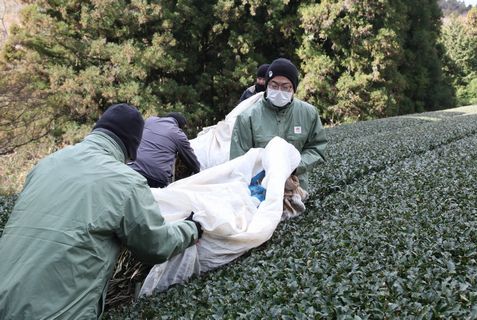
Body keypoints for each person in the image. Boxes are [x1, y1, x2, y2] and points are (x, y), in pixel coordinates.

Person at [0, 103, 202, 319]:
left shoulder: (46, 164)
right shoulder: (125, 182)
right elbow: (155, 245)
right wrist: (191, 228)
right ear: (132, 149)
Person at [230, 58, 328, 191]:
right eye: (274, 86)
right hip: (258, 191)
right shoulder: (248, 117)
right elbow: (238, 161)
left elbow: (317, 148)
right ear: (267, 86)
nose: (279, 91)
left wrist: (293, 167)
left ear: (293, 88)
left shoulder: (308, 113)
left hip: (296, 189)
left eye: (286, 87)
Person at [128, 112, 200, 188]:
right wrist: (199, 173)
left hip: (132, 169)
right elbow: (192, 161)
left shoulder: (150, 121)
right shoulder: (178, 134)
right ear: (179, 126)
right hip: (155, 178)